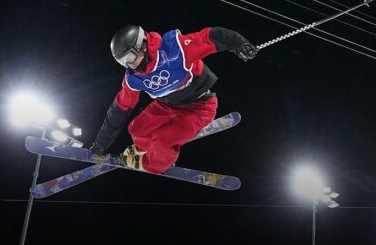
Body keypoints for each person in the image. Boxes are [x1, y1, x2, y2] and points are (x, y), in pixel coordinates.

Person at [90, 25, 257, 173]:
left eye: (131, 58)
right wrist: (101, 143)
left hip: (200, 105)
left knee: (163, 140)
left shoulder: (176, 50)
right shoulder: (133, 79)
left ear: (143, 46)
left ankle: (152, 164)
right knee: (137, 129)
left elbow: (209, 37)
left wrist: (239, 44)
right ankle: (144, 150)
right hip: (168, 104)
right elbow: (120, 108)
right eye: (123, 62)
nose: (130, 65)